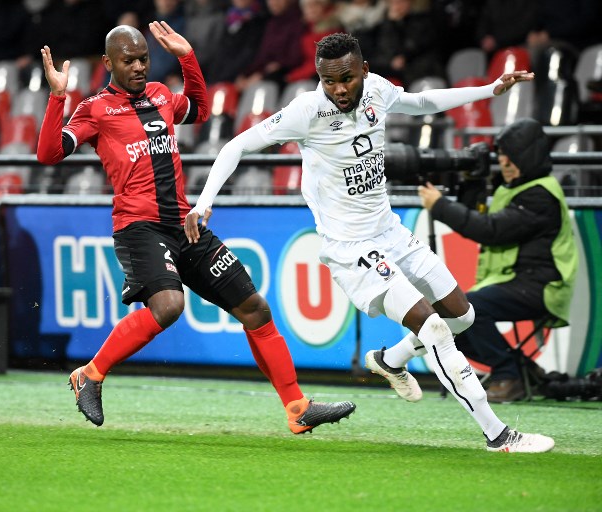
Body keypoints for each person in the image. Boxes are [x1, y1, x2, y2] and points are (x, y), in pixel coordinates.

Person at [187, 32, 554, 452]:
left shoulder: (377, 89)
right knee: (433, 327)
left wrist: (489, 89)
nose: (339, 90)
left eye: (346, 78)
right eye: (328, 81)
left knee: (462, 315)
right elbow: (236, 146)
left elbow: (421, 102)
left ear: (363, 70)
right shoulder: (307, 111)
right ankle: (499, 435)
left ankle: (390, 359)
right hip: (351, 248)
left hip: (390, 231)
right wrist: (204, 203)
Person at [37, 22, 356, 433]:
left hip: (184, 225)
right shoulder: (96, 108)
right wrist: (58, 96)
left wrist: (188, 58)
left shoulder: (160, 95)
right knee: (169, 306)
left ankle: (297, 408)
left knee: (255, 308)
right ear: (108, 63)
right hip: (140, 227)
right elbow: (49, 153)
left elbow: (201, 110)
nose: (138, 67)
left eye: (143, 59)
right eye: (128, 61)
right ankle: (91, 374)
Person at [418, 118, 578, 403]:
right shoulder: (513, 189)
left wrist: (440, 206)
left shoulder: (541, 194)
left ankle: (509, 375)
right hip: (517, 281)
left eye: (511, 156)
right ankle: (522, 369)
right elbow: (477, 216)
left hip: (542, 286)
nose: (504, 162)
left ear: (528, 156)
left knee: (470, 308)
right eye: (501, 155)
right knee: (453, 319)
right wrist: (472, 183)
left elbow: (490, 230)